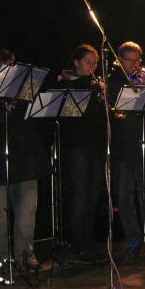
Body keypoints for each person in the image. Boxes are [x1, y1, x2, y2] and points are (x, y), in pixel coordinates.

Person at [0, 49, 49, 269]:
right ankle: (0, 262)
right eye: (5, 68)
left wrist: (24, 101)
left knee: (27, 213)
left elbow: (37, 119)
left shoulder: (23, 92)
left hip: (25, 159)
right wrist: (2, 108)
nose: (12, 72)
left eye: (13, 66)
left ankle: (25, 257)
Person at [109, 41, 145, 256]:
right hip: (123, 147)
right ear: (120, 60)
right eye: (129, 60)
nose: (134, 65)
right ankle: (132, 240)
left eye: (137, 60)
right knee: (125, 197)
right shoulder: (113, 80)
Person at [56, 44, 106, 262]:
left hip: (96, 146)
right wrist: (90, 87)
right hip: (77, 147)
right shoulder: (66, 83)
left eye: (95, 63)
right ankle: (79, 244)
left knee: (93, 197)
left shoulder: (96, 86)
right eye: (88, 62)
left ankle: (90, 243)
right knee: (79, 197)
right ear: (76, 63)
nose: (92, 67)